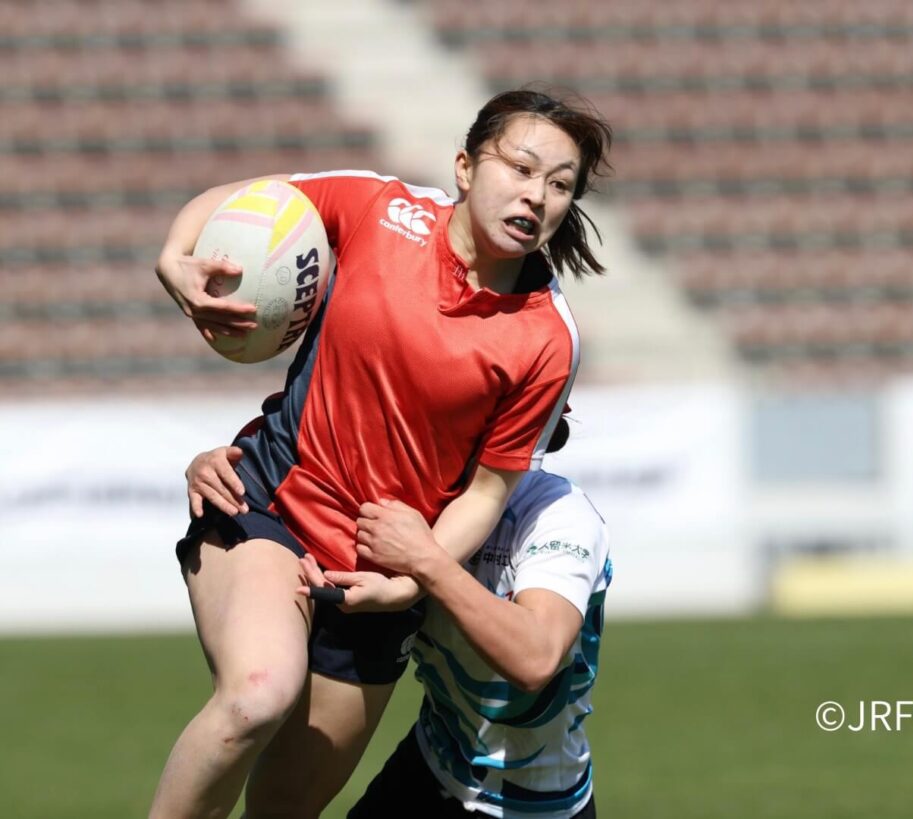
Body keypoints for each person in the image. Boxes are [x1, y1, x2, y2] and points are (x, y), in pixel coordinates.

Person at [149, 88, 612, 818]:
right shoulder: (379, 207)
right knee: (257, 694)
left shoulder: (548, 337)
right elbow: (243, 201)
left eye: (560, 185)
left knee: (284, 809)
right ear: (465, 167)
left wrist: (409, 582)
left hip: (373, 577)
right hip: (271, 507)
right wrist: (175, 256)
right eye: (521, 168)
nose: (537, 195)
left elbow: (487, 492)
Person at [185, 416, 610, 817]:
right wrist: (222, 469)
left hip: (538, 802)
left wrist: (425, 561)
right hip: (430, 769)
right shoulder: (401, 495)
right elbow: (298, 458)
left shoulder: (558, 514)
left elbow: (536, 656)